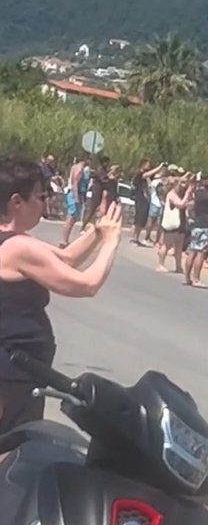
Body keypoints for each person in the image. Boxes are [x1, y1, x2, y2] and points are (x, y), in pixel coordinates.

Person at [0, 156, 122, 433]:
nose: (44, 204)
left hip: (21, 369)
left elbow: (65, 259)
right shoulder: (17, 248)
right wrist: (111, 243)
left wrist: (97, 232)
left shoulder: (15, 242)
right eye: (40, 197)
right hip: (13, 372)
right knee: (11, 448)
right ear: (16, 202)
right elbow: (86, 284)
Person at [156, 173, 194, 275]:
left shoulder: (182, 194)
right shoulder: (171, 194)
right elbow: (180, 204)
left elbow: (188, 204)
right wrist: (187, 195)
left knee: (179, 246)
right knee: (167, 244)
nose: (184, 185)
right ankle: (160, 264)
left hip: (181, 221)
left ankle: (178, 266)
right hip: (172, 222)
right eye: (182, 183)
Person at [131, 159, 166, 246]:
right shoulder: (140, 173)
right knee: (138, 219)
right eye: (147, 164)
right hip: (140, 199)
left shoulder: (147, 177)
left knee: (142, 220)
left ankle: (136, 238)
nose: (149, 166)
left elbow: (155, 176)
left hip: (145, 200)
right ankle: (133, 238)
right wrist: (160, 167)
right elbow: (147, 174)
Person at [59, 153, 90, 248]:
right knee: (71, 217)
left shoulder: (77, 167)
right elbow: (75, 183)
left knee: (73, 218)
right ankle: (63, 241)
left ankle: (65, 240)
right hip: (74, 195)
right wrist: (76, 197)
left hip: (76, 195)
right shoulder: (79, 169)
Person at [81, 155, 111, 231]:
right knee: (92, 208)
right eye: (107, 162)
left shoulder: (104, 170)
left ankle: (93, 224)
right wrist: (110, 177)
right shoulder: (100, 169)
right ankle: (83, 227)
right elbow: (103, 180)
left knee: (96, 209)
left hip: (100, 190)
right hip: (96, 189)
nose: (108, 164)